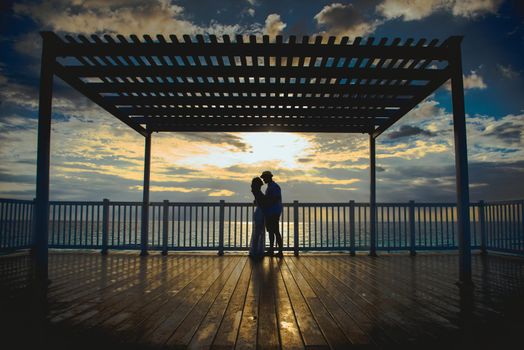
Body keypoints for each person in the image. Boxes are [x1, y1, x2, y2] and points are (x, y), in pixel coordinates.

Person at [260, 170, 283, 257]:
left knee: (276, 231)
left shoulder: (274, 187)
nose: (263, 180)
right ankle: (271, 250)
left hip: (274, 212)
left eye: (264, 178)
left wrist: (265, 201)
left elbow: (275, 198)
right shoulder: (270, 187)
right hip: (270, 212)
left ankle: (280, 252)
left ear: (269, 177)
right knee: (270, 231)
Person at [249, 177, 266, 259]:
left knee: (259, 232)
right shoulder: (258, 192)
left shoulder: (257, 193)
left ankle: (257, 250)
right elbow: (262, 202)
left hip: (260, 212)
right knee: (258, 232)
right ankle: (255, 251)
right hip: (260, 213)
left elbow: (258, 201)